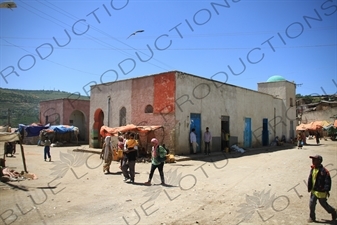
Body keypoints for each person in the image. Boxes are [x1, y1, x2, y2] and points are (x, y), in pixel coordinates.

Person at [307, 155, 336, 223]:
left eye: (315, 160)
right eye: (312, 160)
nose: (313, 161)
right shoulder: (313, 169)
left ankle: (333, 211)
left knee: (324, 204)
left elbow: (328, 181)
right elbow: (310, 178)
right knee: (311, 204)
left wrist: (326, 189)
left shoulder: (324, 171)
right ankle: (312, 217)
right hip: (314, 191)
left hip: (321, 192)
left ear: (319, 161)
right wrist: (309, 187)